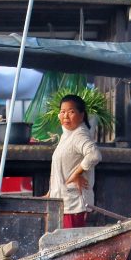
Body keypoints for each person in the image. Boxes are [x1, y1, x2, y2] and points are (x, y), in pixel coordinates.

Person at [47, 94, 102, 228]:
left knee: (71, 244)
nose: (65, 116)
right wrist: (51, 192)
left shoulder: (79, 135)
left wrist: (76, 174)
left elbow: (94, 155)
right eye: (62, 112)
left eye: (71, 112)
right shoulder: (67, 135)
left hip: (74, 205)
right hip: (62, 203)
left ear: (81, 115)